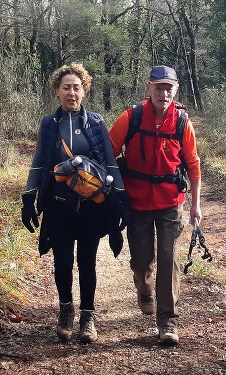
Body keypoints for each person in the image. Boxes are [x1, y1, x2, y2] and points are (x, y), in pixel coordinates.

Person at [21, 64, 128, 344]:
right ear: (57, 91)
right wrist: (28, 197)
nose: (72, 92)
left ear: (85, 90)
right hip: (58, 206)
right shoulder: (49, 124)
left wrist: (121, 199)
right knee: (63, 262)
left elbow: (109, 162)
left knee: (87, 262)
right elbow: (39, 163)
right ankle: (66, 311)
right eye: (66, 87)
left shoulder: (95, 122)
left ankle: (88, 317)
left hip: (91, 206)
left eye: (76, 87)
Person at [109, 65, 202, 347]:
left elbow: (194, 167)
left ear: (176, 90)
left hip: (170, 204)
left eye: (168, 88)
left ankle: (168, 322)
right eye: (158, 87)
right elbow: (109, 156)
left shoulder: (183, 122)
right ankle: (143, 288)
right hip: (137, 203)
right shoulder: (130, 118)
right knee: (141, 260)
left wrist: (195, 206)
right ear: (148, 88)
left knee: (168, 259)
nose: (164, 93)